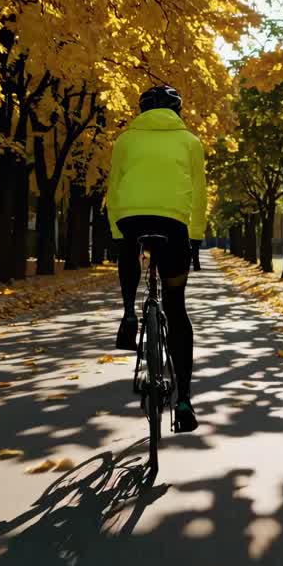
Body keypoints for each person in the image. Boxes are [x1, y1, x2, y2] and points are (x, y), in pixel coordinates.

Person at [106, 83, 207, 433]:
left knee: (129, 248)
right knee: (176, 308)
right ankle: (184, 402)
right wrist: (194, 238)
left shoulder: (123, 141)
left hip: (131, 218)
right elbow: (198, 194)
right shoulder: (191, 142)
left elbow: (114, 190)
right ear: (176, 111)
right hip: (174, 223)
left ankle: (129, 315)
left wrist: (119, 237)